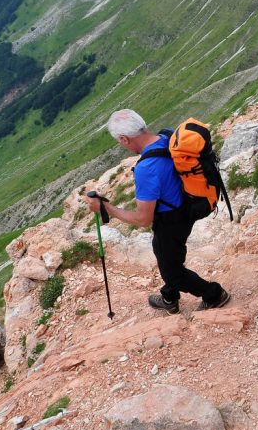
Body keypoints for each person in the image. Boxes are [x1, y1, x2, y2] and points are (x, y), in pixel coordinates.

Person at [84, 109, 230, 314]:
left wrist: (106, 208)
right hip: (186, 205)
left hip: (170, 220)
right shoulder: (168, 136)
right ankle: (169, 297)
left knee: (173, 272)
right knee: (165, 255)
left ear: (125, 139)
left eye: (119, 141)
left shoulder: (146, 168)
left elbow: (143, 219)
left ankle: (214, 294)